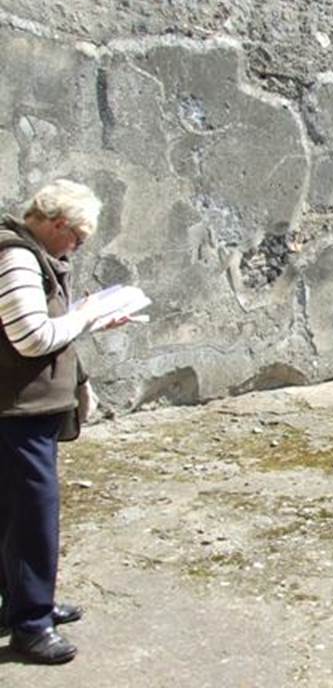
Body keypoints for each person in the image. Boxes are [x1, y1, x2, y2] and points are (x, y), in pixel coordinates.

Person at [0, 179, 123, 664]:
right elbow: (31, 337)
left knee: (13, 511)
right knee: (33, 516)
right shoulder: (16, 257)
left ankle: (22, 603)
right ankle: (32, 625)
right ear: (55, 225)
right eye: (77, 238)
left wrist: (88, 317)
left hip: (24, 409)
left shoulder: (31, 255)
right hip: (17, 411)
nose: (77, 249)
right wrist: (87, 316)